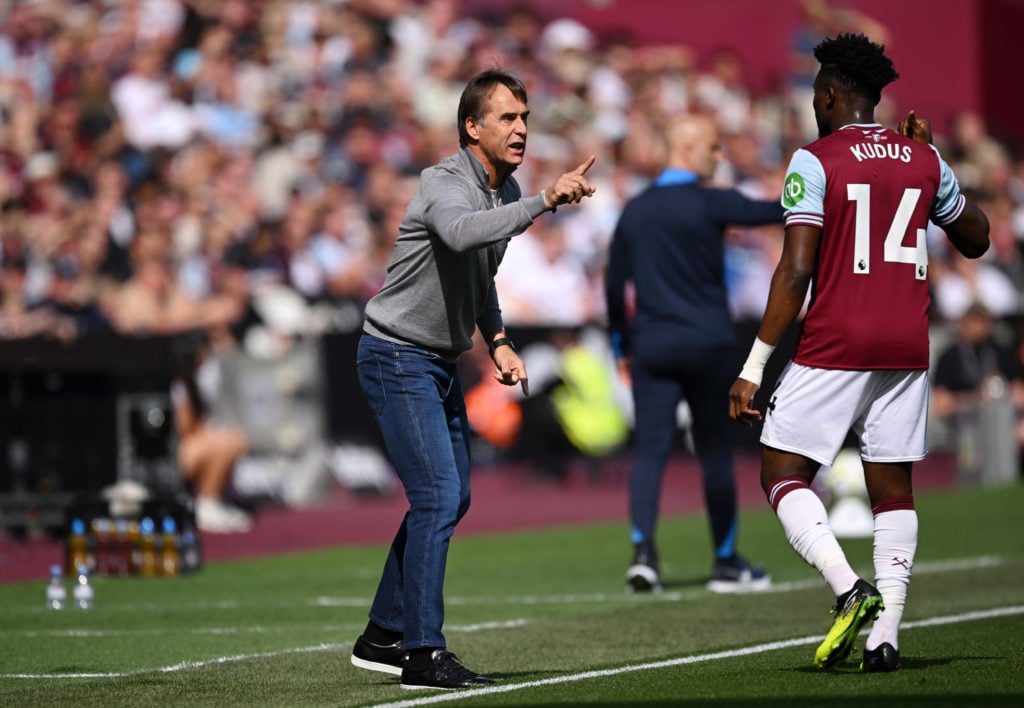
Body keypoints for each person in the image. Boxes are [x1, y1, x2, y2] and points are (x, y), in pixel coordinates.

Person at [728, 34, 990, 673]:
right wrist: (931, 163)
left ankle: (849, 588)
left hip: (838, 340)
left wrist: (752, 366)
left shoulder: (813, 160)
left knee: (781, 472)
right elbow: (977, 239)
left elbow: (794, 272)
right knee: (892, 486)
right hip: (907, 344)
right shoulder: (924, 157)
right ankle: (887, 636)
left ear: (828, 94)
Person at [350, 68, 596, 690]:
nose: (520, 129)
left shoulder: (503, 187)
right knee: (436, 497)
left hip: (436, 361)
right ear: (472, 126)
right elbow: (460, 236)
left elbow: (479, 279)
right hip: (396, 355)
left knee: (451, 496)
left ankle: (382, 634)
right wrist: (542, 202)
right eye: (508, 117)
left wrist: (502, 341)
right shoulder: (444, 182)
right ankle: (423, 653)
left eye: (524, 118)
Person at [605, 113, 784, 594]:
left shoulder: (635, 210)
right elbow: (775, 212)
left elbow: (612, 283)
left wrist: (622, 344)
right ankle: (725, 561)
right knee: (715, 454)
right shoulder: (712, 201)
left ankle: (643, 556)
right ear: (685, 149)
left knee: (649, 453)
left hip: (653, 347)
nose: (719, 155)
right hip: (709, 345)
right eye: (712, 147)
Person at [932, 302, 1022, 486]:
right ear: (964, 323)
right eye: (975, 321)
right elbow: (941, 404)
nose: (981, 326)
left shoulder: (999, 351)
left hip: (1002, 420)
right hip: (967, 426)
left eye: (984, 321)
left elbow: (1018, 391)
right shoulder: (949, 356)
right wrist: (975, 398)